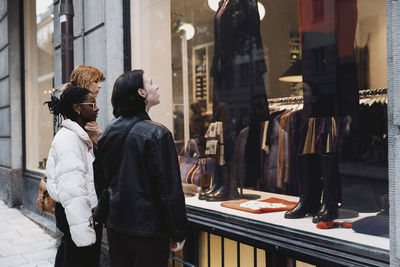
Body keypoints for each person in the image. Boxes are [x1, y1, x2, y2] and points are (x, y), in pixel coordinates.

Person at [94, 70, 187, 267]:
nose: (157, 86)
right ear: (141, 93)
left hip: (116, 227)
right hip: (149, 232)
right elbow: (168, 191)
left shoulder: (108, 132)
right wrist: (177, 231)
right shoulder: (157, 134)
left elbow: (101, 183)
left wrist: (104, 216)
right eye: (151, 83)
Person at [45, 86, 102, 267]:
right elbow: (73, 190)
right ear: (77, 108)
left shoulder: (77, 136)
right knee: (78, 260)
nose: (97, 108)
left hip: (81, 215)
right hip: (78, 216)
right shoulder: (69, 139)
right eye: (92, 104)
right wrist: (85, 234)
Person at [61, 64, 104, 148]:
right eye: (95, 81)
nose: (99, 86)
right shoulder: (83, 111)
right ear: (84, 82)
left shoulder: (71, 102)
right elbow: (98, 138)